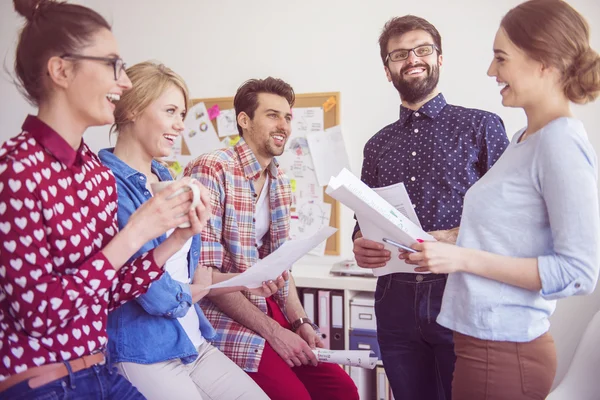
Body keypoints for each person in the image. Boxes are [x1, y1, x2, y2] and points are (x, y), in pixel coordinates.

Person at [0, 1, 210, 399]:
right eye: (112, 64)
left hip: (99, 371)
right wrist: (134, 234)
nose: (125, 82)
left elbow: (108, 292)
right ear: (61, 70)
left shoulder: (95, 174)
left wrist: (175, 239)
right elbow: (38, 315)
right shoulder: (16, 170)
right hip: (41, 384)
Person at [400, 1, 600, 399]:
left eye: (500, 58)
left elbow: (579, 271)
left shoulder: (560, 143)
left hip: (504, 350)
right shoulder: (524, 140)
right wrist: (451, 239)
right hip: (479, 343)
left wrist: (462, 259)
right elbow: (512, 234)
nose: (492, 71)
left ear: (543, 61)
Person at [99, 61, 289, 400]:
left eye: (182, 114)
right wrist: (192, 291)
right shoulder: (108, 187)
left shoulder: (168, 180)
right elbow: (153, 291)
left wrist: (245, 281)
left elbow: (190, 274)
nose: (180, 125)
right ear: (132, 110)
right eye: (170, 111)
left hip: (193, 342)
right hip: (145, 351)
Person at [351, 15, 509, 400]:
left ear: (440, 58)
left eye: (422, 49)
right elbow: (364, 220)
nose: (412, 59)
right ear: (388, 70)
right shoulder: (377, 145)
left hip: (461, 290)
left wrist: (454, 237)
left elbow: (511, 219)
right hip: (394, 298)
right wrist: (360, 244)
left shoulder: (482, 126)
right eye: (399, 54)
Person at [184, 77, 359, 400]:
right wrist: (275, 332)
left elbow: (281, 268)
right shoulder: (212, 168)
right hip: (218, 312)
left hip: (264, 306)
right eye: (273, 115)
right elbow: (204, 278)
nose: (284, 125)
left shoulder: (279, 179)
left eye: (288, 117)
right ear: (244, 120)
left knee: (342, 390)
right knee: (294, 396)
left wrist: (301, 322)